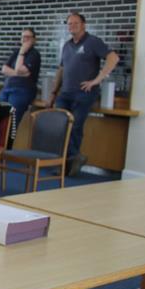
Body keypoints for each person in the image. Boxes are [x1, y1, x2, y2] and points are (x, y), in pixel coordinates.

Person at [48, 12, 119, 176]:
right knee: (60, 128)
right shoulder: (66, 45)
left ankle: (69, 162)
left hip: (84, 94)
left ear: (84, 24)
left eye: (75, 23)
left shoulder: (93, 42)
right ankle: (70, 159)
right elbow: (61, 69)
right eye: (69, 24)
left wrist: (97, 79)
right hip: (64, 93)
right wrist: (53, 93)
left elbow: (113, 58)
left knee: (75, 127)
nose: (72, 26)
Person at [0, 28, 41, 128]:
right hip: (7, 89)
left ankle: (8, 143)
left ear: (34, 40)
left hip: (22, 91)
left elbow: (19, 69)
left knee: (11, 123)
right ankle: (0, 143)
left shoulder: (34, 54)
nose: (25, 39)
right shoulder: (16, 52)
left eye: (28, 37)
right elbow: (4, 69)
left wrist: (22, 52)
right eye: (23, 37)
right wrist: (18, 73)